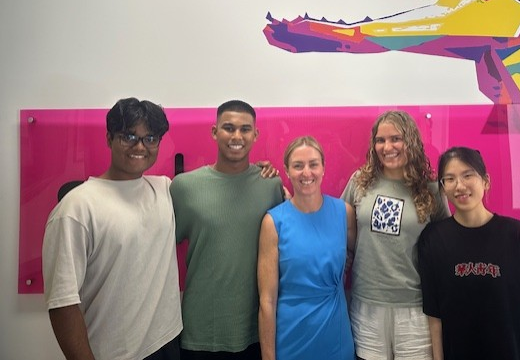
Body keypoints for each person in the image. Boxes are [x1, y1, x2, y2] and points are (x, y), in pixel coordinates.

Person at [42, 97, 182, 360]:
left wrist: (257, 170)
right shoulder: (76, 208)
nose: (139, 146)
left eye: (150, 138)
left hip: (168, 342)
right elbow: (62, 303)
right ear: (109, 138)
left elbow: (214, 185)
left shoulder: (164, 189)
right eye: (128, 136)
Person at [417, 146, 520, 360]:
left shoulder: (516, 234)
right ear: (442, 188)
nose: (460, 186)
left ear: (486, 181)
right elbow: (434, 315)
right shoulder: (433, 239)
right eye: (450, 179)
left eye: (467, 175)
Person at [170, 99, 285, 359]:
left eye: (245, 129)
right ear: (214, 132)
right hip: (201, 332)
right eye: (229, 128)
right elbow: (159, 252)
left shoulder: (270, 185)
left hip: (255, 331)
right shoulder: (184, 187)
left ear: (255, 135)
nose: (237, 136)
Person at [341, 110, 449, 360]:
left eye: (395, 139)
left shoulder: (430, 188)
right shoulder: (359, 181)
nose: (387, 147)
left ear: (410, 141)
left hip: (415, 307)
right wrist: (288, 197)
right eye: (380, 140)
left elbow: (449, 239)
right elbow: (334, 223)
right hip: (367, 304)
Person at [257, 136, 356, 360]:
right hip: (290, 340)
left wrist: (345, 260)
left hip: (336, 340)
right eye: (298, 166)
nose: (306, 172)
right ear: (287, 171)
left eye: (313, 164)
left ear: (323, 168)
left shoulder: (344, 213)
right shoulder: (273, 223)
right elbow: (267, 300)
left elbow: (360, 254)